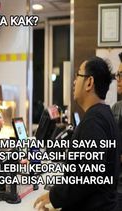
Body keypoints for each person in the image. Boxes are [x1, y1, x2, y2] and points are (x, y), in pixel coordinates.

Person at [34, 57, 121, 211]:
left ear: (89, 82)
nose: (74, 82)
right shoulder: (104, 114)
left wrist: (53, 196)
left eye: (78, 75)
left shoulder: (94, 121)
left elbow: (87, 177)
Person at [111, 52, 122, 210]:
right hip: (113, 186)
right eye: (117, 75)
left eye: (121, 74)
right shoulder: (116, 108)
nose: (117, 79)